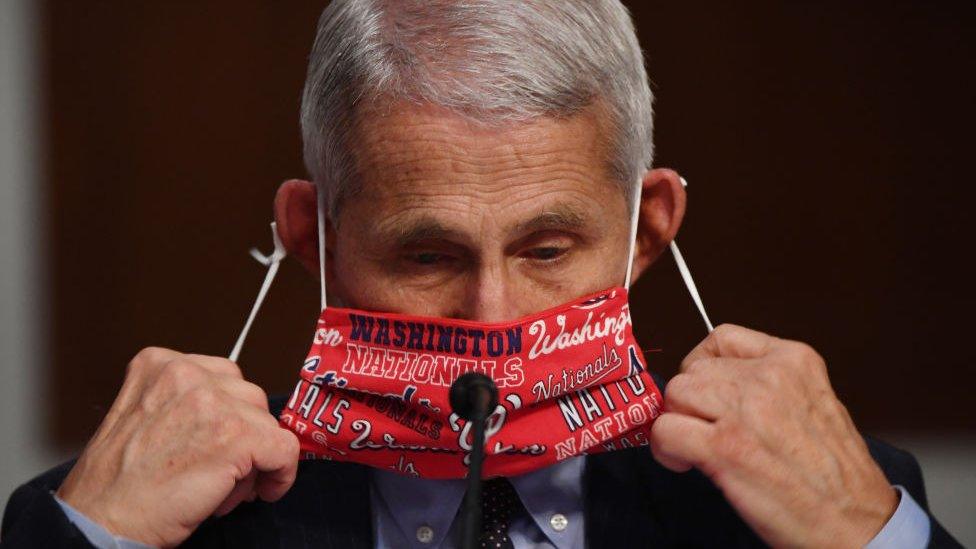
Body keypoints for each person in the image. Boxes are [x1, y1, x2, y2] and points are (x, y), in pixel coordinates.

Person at [1, 1, 961, 547]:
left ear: (645, 232)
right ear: (310, 236)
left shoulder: (829, 502)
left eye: (548, 250)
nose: (492, 322)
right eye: (427, 255)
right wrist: (94, 538)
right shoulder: (149, 523)